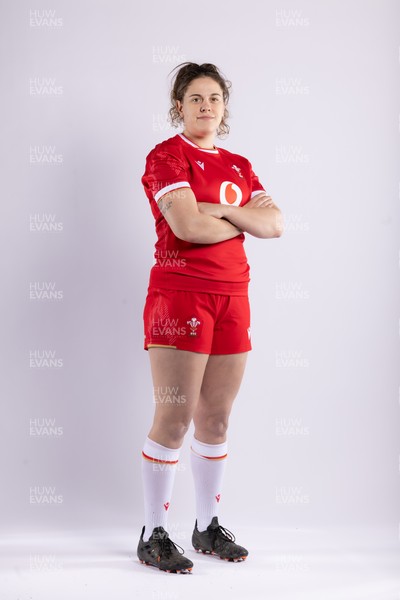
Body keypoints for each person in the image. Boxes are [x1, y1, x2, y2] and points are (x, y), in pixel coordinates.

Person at [137, 62, 283, 574]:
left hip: (233, 297)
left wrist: (218, 211)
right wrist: (236, 219)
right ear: (179, 105)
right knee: (174, 420)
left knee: (217, 420)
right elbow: (186, 227)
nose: (206, 107)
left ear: (224, 107)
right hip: (181, 298)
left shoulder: (240, 165)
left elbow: (275, 224)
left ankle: (207, 525)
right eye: (195, 98)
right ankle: (154, 531)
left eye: (214, 99)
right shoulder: (167, 155)